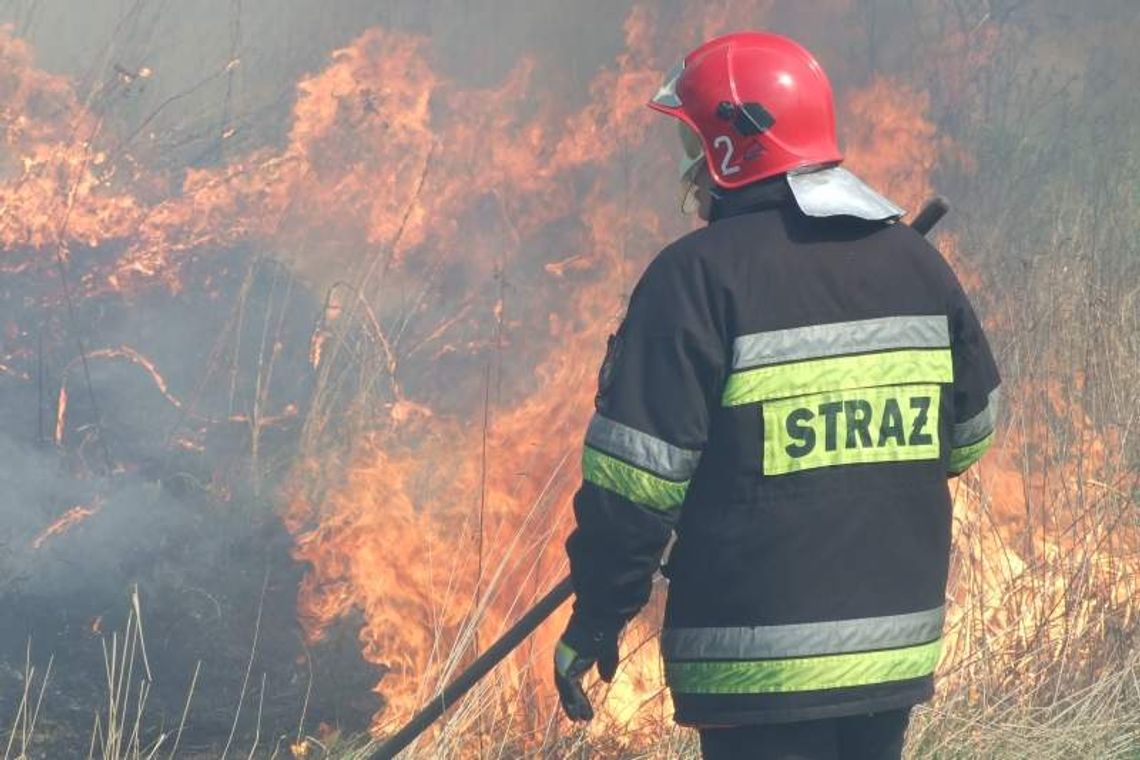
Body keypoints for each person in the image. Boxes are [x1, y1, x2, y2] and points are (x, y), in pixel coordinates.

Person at [553, 31, 1001, 760]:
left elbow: (632, 486)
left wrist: (597, 617)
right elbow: (973, 430)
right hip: (889, 656)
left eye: (695, 144)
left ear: (733, 148)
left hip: (756, 665)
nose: (691, 169)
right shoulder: (917, 265)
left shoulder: (695, 277)